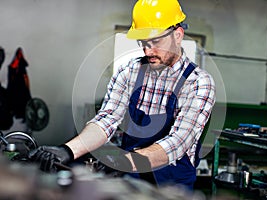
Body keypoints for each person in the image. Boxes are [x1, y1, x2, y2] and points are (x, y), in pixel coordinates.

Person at [29, 0, 216, 190]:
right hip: (130, 183)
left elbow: (178, 142)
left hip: (173, 188)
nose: (148, 50)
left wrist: (123, 162)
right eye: (143, 43)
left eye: (156, 41)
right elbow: (106, 120)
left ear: (178, 35)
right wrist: (68, 150)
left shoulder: (199, 83)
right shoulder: (129, 71)